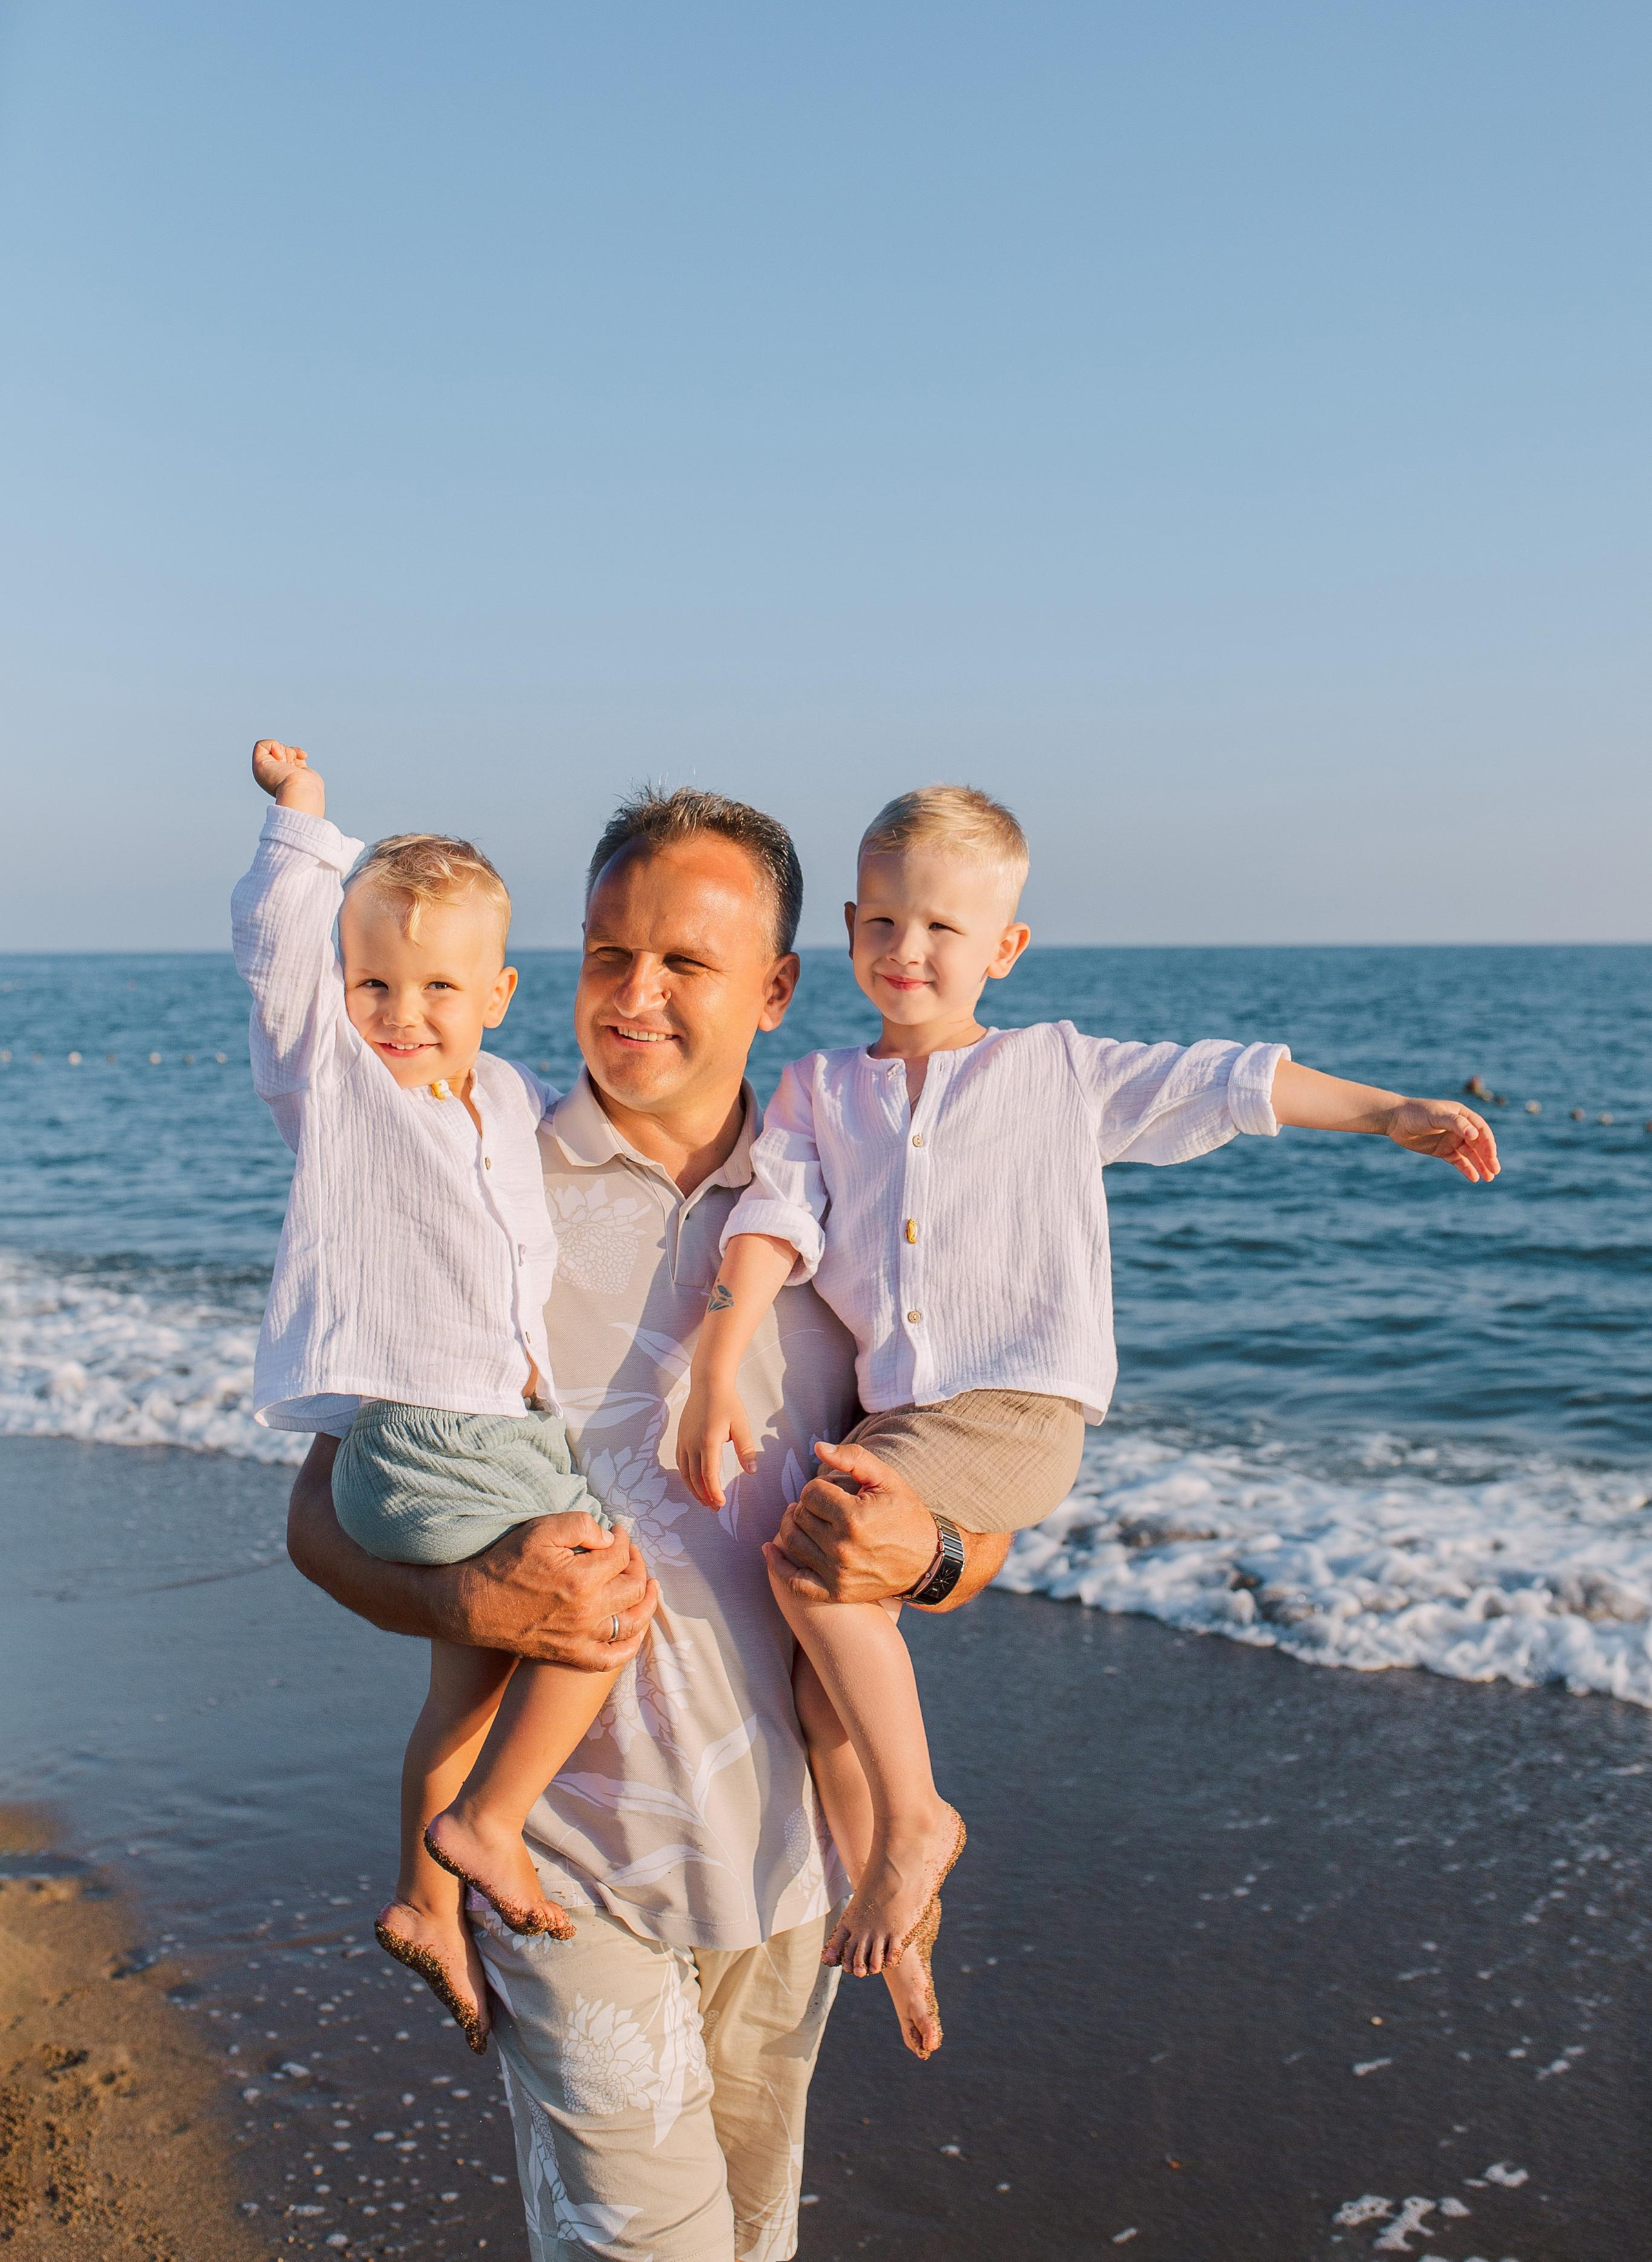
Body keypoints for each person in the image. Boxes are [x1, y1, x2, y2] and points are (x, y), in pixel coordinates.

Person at [284, 786, 1002, 2262]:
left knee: (750, 2236)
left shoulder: (863, 1200)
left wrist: (928, 1559)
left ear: (779, 987)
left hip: (791, 1863)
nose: (635, 995)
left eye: (685, 962)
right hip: (562, 1858)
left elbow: (969, 1512)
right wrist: (477, 1604)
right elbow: (319, 1515)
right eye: (609, 954)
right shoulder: (466, 1176)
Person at [676, 783, 1503, 2057]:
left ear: (1002, 949)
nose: (908, 952)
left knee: (814, 1569)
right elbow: (772, 1223)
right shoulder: (817, 1089)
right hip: (905, 1417)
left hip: (1011, 1409)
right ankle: (889, 1902)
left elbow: (1230, 1083)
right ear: (847, 926)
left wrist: (1389, 1110)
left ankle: (916, 1826)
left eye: (944, 929)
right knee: (816, 1676)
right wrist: (725, 1345)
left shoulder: (1052, 1070)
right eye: (884, 922)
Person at [233, 739, 630, 2057]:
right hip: (426, 1441)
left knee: (461, 1699)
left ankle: (421, 1897)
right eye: (373, 984)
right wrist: (305, 828)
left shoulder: (509, 1097)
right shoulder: (342, 1092)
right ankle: (488, 1831)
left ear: (500, 994)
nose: (403, 1013)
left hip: (487, 1435)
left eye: (440, 988)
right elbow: (280, 971)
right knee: (600, 1603)